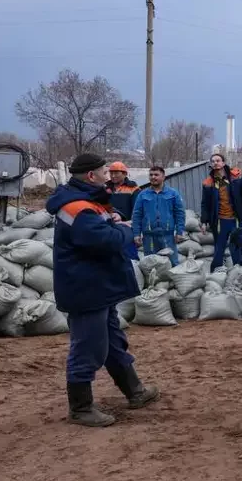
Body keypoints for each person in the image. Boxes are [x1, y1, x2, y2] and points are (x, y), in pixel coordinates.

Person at [46, 153, 159, 427]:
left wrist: (112, 220)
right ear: (91, 176)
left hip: (97, 286)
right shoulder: (77, 208)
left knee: (112, 342)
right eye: (104, 172)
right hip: (86, 288)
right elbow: (105, 241)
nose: (109, 176)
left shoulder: (86, 203)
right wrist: (125, 230)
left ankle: (135, 391)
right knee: (88, 348)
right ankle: (81, 408)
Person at [200, 153, 242, 270]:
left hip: (236, 218)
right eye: (213, 161)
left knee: (237, 245)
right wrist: (204, 222)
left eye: (218, 160)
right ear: (211, 165)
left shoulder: (236, 177)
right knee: (219, 246)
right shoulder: (208, 182)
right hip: (220, 220)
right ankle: (216, 270)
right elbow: (205, 204)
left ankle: (238, 270)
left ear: (223, 163)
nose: (215, 163)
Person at [131, 166, 187, 266]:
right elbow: (137, 215)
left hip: (168, 236)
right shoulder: (143, 194)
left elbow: (180, 214)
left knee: (172, 263)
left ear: (163, 176)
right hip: (149, 237)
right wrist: (136, 234)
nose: (153, 177)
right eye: (151, 175)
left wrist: (179, 232)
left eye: (156, 175)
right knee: (150, 265)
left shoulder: (173, 193)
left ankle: (172, 281)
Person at [105, 161, 140, 259]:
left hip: (127, 227)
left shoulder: (133, 188)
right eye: (111, 173)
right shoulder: (105, 188)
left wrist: (132, 223)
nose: (112, 175)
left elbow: (137, 210)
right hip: (109, 227)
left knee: (129, 255)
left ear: (124, 174)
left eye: (116, 173)